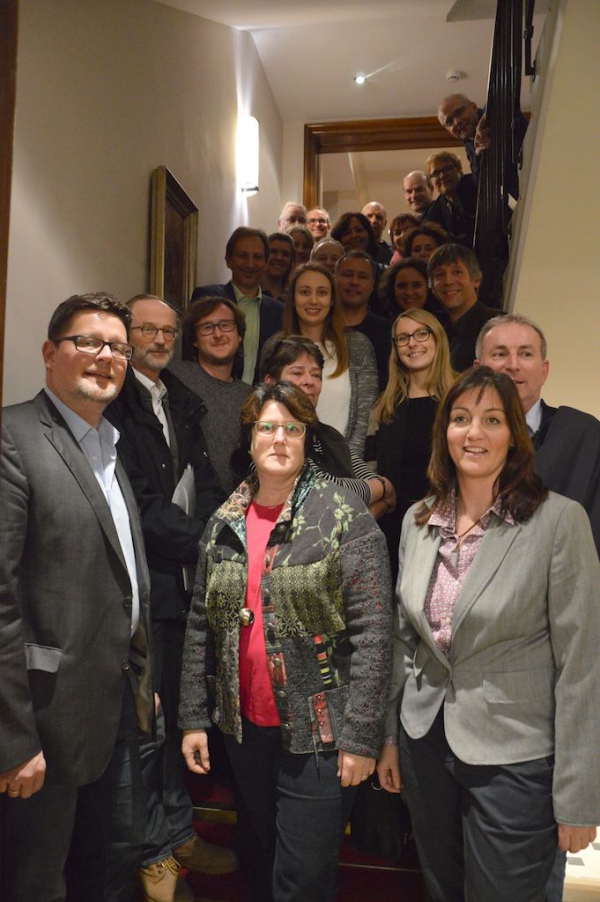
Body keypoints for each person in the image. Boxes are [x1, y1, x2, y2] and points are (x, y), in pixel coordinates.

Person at [377, 366, 600, 902]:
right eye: (460, 419)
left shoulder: (557, 522)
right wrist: (389, 735)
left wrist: (579, 797)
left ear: (514, 436)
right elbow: (405, 640)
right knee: (444, 887)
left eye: (491, 420)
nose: (473, 433)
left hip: (516, 755)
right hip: (425, 744)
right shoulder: (416, 520)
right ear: (444, 433)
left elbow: (583, 665)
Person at [179, 381, 393, 902]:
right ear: (249, 439)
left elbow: (374, 633)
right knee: (269, 851)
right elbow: (200, 625)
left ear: (307, 439)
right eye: (267, 427)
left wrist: (362, 737)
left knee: (302, 877)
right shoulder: (225, 520)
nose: (279, 438)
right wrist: (192, 718)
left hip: (321, 734)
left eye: (291, 429)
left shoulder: (343, 515)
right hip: (245, 729)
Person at [0, 293, 154, 902]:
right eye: (88, 342)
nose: (105, 357)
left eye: (118, 346)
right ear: (49, 353)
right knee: (35, 883)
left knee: (108, 870)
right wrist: (12, 740)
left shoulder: (111, 450)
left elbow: (122, 580)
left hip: (113, 707)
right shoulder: (14, 438)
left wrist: (142, 674)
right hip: (41, 722)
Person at [104, 295, 234, 902]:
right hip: (144, 586)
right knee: (148, 723)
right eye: (145, 329)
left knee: (181, 715)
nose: (158, 339)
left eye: (166, 330)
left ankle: (177, 831)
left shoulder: (179, 399)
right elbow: (137, 506)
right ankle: (154, 852)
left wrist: (209, 536)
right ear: (127, 336)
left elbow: (205, 481)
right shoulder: (115, 401)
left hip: (182, 584)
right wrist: (207, 544)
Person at [475, 313, 600, 554]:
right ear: (477, 370)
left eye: (526, 354)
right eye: (500, 354)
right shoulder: (459, 441)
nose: (513, 365)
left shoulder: (586, 438)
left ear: (544, 371)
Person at [259, 334, 395, 519]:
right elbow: (322, 491)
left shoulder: (328, 435)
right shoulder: (264, 435)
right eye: (297, 373)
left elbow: (367, 478)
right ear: (270, 382)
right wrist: (382, 488)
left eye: (316, 375)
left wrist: (373, 495)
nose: (309, 381)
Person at [371, 308, 455, 580]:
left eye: (421, 333)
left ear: (437, 338)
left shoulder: (460, 396)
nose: (412, 343)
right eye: (403, 338)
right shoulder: (385, 404)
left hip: (445, 523)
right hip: (393, 525)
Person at [281, 261, 379, 457]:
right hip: (288, 465)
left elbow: (363, 419)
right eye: (305, 292)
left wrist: (346, 471)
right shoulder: (276, 346)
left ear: (333, 299)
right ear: (292, 297)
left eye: (322, 292)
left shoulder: (357, 345)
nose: (314, 300)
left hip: (344, 469)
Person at [168, 297, 252, 495]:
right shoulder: (173, 377)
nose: (218, 334)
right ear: (195, 340)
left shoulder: (252, 396)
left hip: (237, 510)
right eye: (207, 327)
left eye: (226, 325)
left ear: (239, 335)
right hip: (186, 507)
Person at [191, 226, 282, 384]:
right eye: (242, 255)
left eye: (257, 257)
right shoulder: (207, 297)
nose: (250, 264)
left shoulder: (279, 312)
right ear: (228, 260)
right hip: (210, 395)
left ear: (266, 263)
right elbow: (190, 352)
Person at [428, 243, 495, 372]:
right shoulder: (435, 331)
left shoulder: (496, 326)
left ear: (476, 280)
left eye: (457, 272)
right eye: (439, 274)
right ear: (432, 287)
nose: (448, 281)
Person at [335, 250, 391, 389]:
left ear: (372, 285)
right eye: (348, 275)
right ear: (334, 278)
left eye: (362, 277)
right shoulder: (319, 328)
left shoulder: (388, 332)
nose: (354, 282)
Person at [423, 151, 477, 248]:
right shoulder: (435, 212)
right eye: (435, 173)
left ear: (459, 170)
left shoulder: (476, 185)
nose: (443, 175)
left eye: (447, 168)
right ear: (431, 183)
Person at [380, 258, 447, 324]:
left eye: (416, 285)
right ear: (392, 289)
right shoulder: (383, 328)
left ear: (429, 287)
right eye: (402, 286)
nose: (409, 292)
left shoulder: (445, 324)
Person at [261, 232, 295, 302]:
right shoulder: (251, 290)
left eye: (285, 254)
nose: (279, 258)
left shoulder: (293, 295)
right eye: (273, 252)